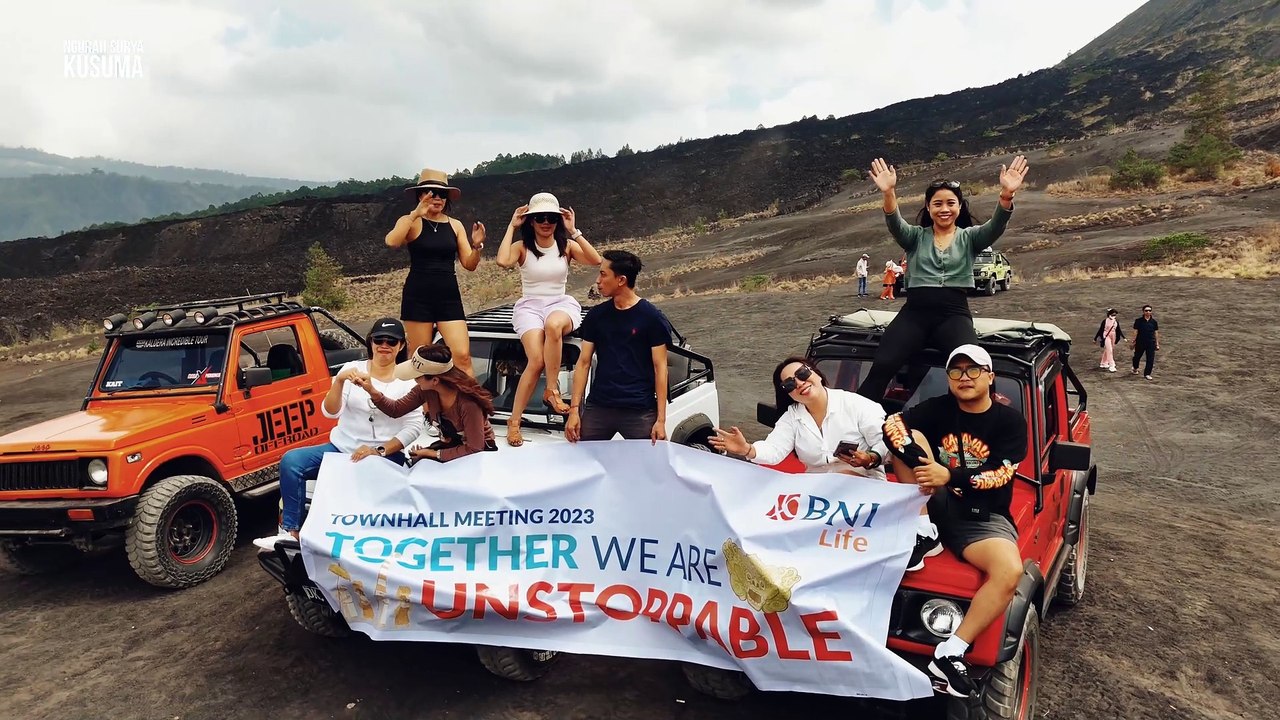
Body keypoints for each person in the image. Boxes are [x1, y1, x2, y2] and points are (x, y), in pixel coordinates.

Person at [881, 344, 1027, 698]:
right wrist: (921, 462)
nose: (965, 377)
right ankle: (923, 531)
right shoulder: (940, 408)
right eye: (956, 371)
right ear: (948, 380)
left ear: (990, 377)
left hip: (981, 515)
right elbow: (893, 424)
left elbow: (1003, 474)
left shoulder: (1009, 421)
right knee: (908, 436)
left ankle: (951, 650)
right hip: (931, 505)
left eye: (973, 370)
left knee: (1010, 572)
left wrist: (949, 475)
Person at [709, 357, 940, 570]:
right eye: (789, 384)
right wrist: (746, 449)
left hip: (866, 490)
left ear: (817, 374)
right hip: (819, 500)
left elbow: (885, 440)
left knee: (907, 437)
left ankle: (924, 530)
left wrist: (870, 458)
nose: (799, 383)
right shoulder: (792, 417)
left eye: (802, 373)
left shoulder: (856, 405)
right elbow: (774, 450)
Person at [856, 156, 1029, 404]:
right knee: (882, 364)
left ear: (959, 207)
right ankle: (855, 425)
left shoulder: (970, 237)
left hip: (954, 314)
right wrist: (889, 192)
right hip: (914, 314)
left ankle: (978, 425)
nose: (944, 208)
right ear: (928, 208)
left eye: (950, 203)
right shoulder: (915, 237)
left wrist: (1006, 195)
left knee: (972, 369)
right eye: (937, 203)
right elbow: (895, 223)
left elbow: (996, 226)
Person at [253, 318, 423, 548]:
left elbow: (413, 427)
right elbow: (330, 412)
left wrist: (379, 451)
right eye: (379, 340)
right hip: (342, 449)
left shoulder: (408, 380)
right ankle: (290, 531)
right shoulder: (351, 369)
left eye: (391, 341)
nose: (384, 345)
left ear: (401, 346)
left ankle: (369, 539)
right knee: (292, 461)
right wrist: (340, 381)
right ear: (370, 342)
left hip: (383, 454)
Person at [495, 192, 603, 446]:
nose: (546, 222)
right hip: (530, 306)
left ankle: (551, 390)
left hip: (559, 303)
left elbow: (596, 260)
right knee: (535, 360)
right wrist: (512, 226)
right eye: (540, 218)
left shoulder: (566, 246)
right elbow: (502, 261)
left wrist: (574, 231)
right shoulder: (521, 247)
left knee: (553, 324)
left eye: (551, 218)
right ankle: (514, 422)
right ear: (530, 221)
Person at [384, 168, 486, 375]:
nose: (437, 198)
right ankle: (424, 407)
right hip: (418, 296)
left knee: (462, 356)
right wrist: (415, 214)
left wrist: (477, 247)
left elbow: (469, 264)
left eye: (442, 194)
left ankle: (476, 406)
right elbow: (392, 241)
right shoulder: (411, 222)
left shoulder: (455, 225)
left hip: (448, 296)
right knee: (420, 359)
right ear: (421, 195)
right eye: (431, 192)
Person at [565, 250, 670, 444]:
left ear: (621, 280)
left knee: (649, 468)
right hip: (599, 407)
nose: (598, 280)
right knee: (583, 463)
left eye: (603, 274)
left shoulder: (651, 317)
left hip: (639, 410)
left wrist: (661, 420)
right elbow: (583, 363)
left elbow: (660, 368)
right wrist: (574, 411)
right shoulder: (596, 316)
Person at [357, 343, 498, 462]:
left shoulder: (469, 404)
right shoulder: (425, 389)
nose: (414, 380)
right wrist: (371, 390)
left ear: (435, 380)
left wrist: (431, 454)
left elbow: (475, 447)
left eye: (417, 376)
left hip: (478, 455)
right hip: (450, 447)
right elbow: (396, 410)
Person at [1130, 304, 1160, 380]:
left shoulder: (1154, 322)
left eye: (1149, 310)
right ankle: (1135, 367)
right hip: (1140, 342)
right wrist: (1133, 341)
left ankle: (1147, 374)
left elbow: (1156, 333)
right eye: (1146, 310)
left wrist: (1157, 344)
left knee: (1150, 359)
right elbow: (1135, 332)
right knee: (1137, 357)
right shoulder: (1138, 321)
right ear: (1143, 312)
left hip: (1150, 342)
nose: (1148, 312)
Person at [1093, 308, 1125, 372]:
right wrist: (1095, 338)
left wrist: (1123, 337)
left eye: (1115, 315)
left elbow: (1118, 330)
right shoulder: (1105, 321)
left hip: (1113, 336)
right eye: (1112, 315)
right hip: (1106, 335)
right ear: (1109, 314)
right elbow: (1100, 330)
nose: (1114, 316)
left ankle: (1103, 363)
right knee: (1109, 350)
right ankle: (1112, 365)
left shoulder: (1116, 321)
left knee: (1108, 349)